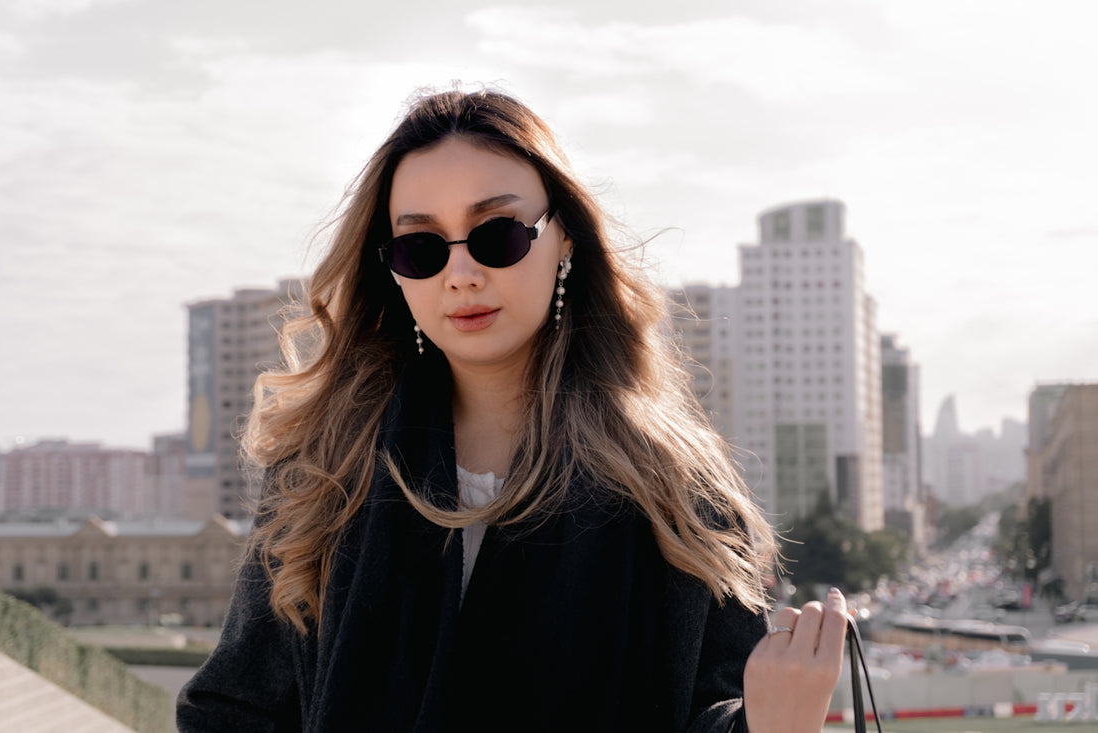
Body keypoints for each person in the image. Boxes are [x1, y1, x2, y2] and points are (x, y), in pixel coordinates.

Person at [176, 86, 848, 732]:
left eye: (497, 234)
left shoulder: (677, 491)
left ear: (565, 240)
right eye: (422, 248)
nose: (461, 274)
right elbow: (232, 707)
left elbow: (715, 705)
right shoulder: (325, 469)